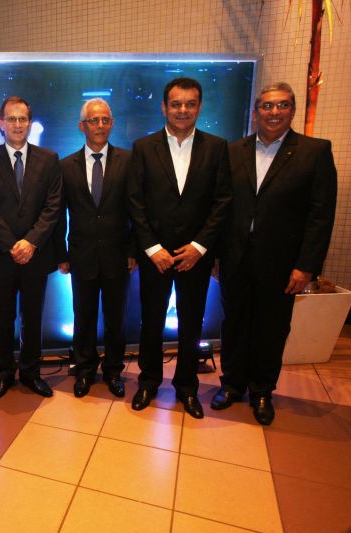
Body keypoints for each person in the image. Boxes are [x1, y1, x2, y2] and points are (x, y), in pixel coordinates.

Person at [213, 82, 337, 425]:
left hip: (282, 263)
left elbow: (321, 215)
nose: (274, 112)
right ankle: (232, 384)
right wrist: (217, 256)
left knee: (272, 327)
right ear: (256, 113)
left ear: (292, 110)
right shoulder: (233, 151)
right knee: (234, 323)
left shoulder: (314, 152)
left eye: (282, 105)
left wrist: (306, 266)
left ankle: (262, 391)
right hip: (236, 257)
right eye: (267, 106)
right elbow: (221, 207)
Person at [127, 77, 232, 419]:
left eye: (190, 103)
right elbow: (135, 202)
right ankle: (148, 382)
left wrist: (200, 247)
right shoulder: (144, 147)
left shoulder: (217, 147)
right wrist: (151, 248)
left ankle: (187, 387)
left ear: (199, 107)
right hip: (155, 256)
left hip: (194, 256)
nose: (182, 110)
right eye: (176, 104)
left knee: (191, 322)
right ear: (164, 107)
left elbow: (222, 201)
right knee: (151, 321)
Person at [0, 96, 62, 400]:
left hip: (36, 255)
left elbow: (53, 206)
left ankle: (30, 372)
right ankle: (2, 374)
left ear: (29, 122)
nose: (17, 124)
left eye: (22, 118)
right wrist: (12, 245)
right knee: (2, 319)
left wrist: (31, 241)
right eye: (11, 119)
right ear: (1, 123)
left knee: (33, 318)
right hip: (1, 256)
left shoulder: (49, 159)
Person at [55, 98, 136, 398]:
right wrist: (62, 255)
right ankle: (85, 370)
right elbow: (58, 213)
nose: (100, 125)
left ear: (111, 124)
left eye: (105, 120)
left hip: (119, 255)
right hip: (81, 256)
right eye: (93, 120)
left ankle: (113, 371)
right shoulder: (66, 166)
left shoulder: (129, 161)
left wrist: (133, 251)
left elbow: (137, 210)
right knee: (84, 317)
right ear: (82, 126)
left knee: (116, 320)